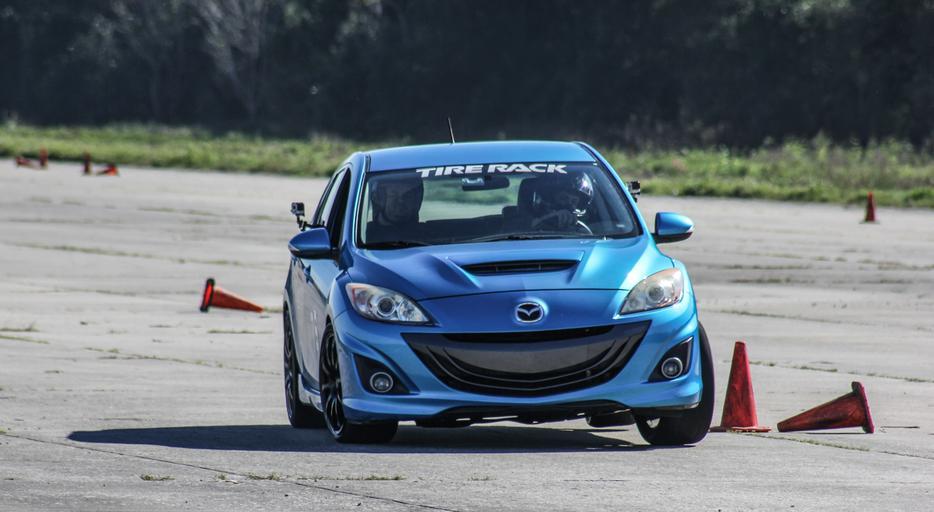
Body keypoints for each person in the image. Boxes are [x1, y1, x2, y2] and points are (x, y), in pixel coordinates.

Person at [526, 172, 594, 231]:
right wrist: (546, 221)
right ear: (550, 198)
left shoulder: (583, 230)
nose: (569, 204)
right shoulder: (527, 219)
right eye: (563, 198)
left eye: (574, 201)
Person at [365, 175, 424, 243]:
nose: (401, 202)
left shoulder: (428, 234)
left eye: (407, 195)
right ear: (379, 199)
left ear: (416, 201)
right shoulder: (364, 235)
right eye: (393, 195)